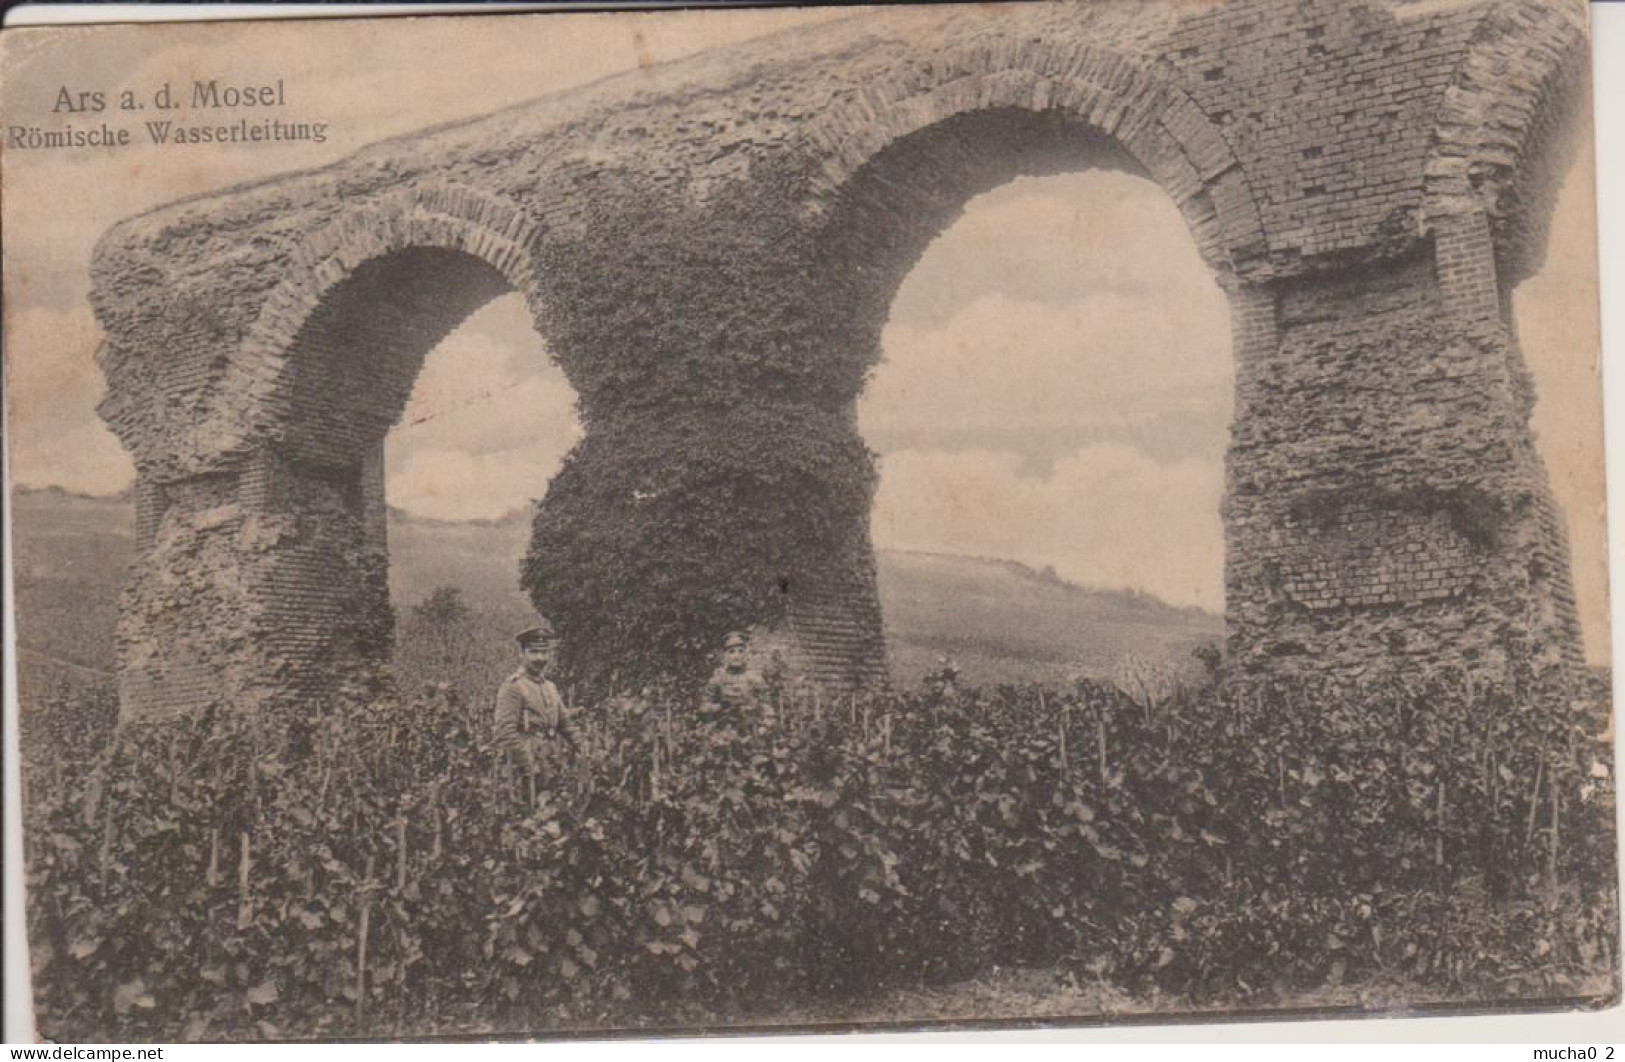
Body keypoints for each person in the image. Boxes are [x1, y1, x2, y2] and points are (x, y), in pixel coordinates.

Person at [493, 620, 577, 782]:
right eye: (533, 652)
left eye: (544, 652)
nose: (540, 658)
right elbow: (504, 733)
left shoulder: (550, 687)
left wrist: (586, 751)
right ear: (522, 654)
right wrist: (529, 764)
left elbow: (566, 724)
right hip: (524, 767)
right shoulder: (514, 687)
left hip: (551, 759)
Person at [703, 630, 771, 727]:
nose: (736, 656)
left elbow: (766, 705)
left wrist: (765, 724)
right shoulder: (718, 679)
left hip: (750, 728)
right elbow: (705, 705)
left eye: (740, 651)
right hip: (724, 729)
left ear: (746, 654)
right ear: (725, 655)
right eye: (731, 652)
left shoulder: (755, 678)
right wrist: (719, 707)